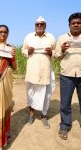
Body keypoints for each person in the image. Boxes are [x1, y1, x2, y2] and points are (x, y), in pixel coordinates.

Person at [22, 16, 55, 129]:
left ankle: (44, 116)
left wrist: (51, 52)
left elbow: (56, 52)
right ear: (35, 26)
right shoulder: (28, 37)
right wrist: (28, 51)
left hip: (46, 71)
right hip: (32, 71)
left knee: (46, 95)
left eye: (42, 24)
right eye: (37, 24)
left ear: (45, 25)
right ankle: (31, 114)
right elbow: (23, 50)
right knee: (30, 92)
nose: (39, 26)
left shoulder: (50, 37)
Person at [54, 12, 81, 140]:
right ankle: (64, 126)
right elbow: (57, 56)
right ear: (69, 25)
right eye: (73, 23)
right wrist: (63, 50)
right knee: (65, 103)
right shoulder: (62, 38)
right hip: (67, 75)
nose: (76, 25)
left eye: (78, 23)